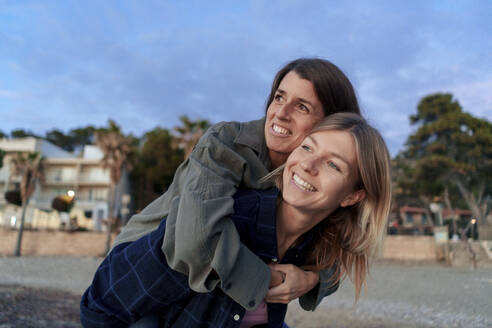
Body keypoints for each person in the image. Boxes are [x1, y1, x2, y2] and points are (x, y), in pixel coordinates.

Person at [80, 112, 392, 327]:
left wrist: (311, 280)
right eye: (308, 147)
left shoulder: (317, 244)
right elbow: (102, 305)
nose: (307, 164)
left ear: (353, 196)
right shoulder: (222, 222)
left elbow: (336, 269)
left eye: (333, 165)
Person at [112, 58, 362, 312]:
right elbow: (196, 240)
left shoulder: (314, 180)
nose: (281, 113)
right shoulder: (226, 143)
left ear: (333, 125)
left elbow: (336, 246)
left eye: (302, 107)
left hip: (202, 289)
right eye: (279, 97)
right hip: (140, 266)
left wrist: (312, 279)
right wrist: (277, 279)